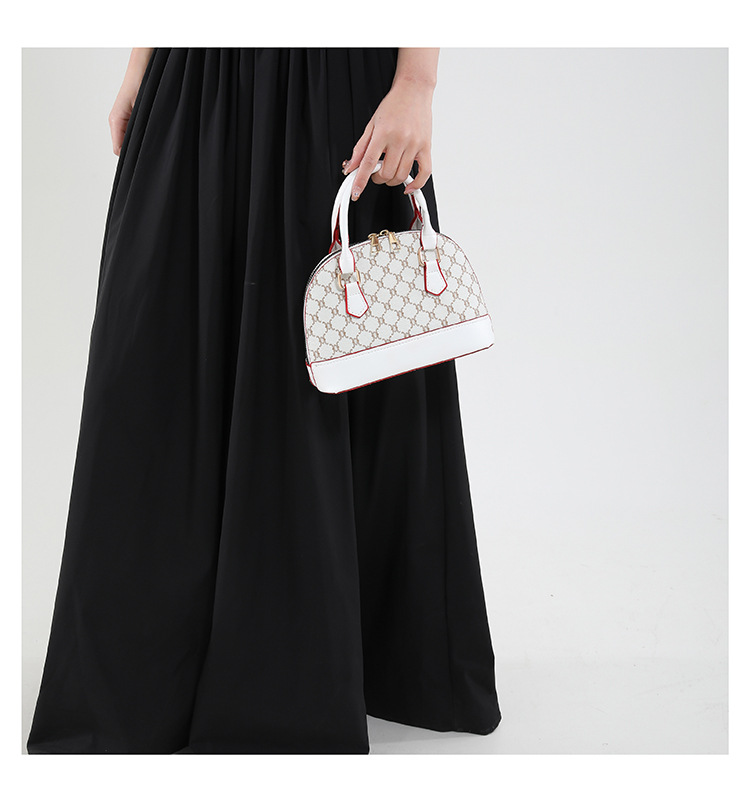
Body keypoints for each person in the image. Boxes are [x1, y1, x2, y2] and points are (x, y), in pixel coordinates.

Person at [26, 47, 502, 755]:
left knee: (314, 362)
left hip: (330, 80)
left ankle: (304, 673)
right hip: (194, 72)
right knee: (152, 355)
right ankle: (152, 677)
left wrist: (416, 82)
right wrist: (138, 64)